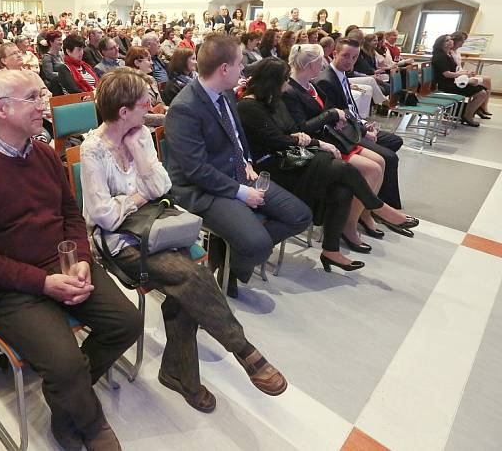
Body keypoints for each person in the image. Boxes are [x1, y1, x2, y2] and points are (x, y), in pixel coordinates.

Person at [0, 69, 140, 450]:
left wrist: (82, 259)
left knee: (126, 322)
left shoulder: (43, 154)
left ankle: (65, 399)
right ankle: (89, 421)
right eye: (32, 98)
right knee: (66, 365)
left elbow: (70, 214)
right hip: (8, 287)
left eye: (41, 95)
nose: (43, 103)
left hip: (62, 265)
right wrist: (43, 283)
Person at [82, 67, 287, 412]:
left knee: (189, 282)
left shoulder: (139, 136)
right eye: (143, 104)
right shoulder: (93, 151)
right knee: (192, 276)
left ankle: (180, 375)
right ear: (123, 111)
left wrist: (141, 159)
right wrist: (138, 197)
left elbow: (162, 188)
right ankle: (241, 350)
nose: (149, 108)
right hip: (119, 243)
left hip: (158, 226)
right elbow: (103, 216)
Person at [164, 35, 312, 296]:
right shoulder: (185, 108)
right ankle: (240, 252)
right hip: (203, 189)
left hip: (238, 173)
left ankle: (232, 259)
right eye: (239, 64)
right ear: (224, 69)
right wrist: (243, 192)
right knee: (258, 245)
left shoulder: (227, 93)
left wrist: (247, 161)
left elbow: (237, 136)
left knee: (300, 215)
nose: (243, 70)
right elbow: (196, 170)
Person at [239, 57, 417, 271]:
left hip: (290, 156)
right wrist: (310, 141)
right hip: (273, 166)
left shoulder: (272, 100)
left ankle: (331, 250)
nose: (287, 84)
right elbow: (276, 139)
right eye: (284, 79)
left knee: (341, 190)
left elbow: (289, 130)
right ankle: (377, 207)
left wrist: (301, 137)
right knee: (343, 168)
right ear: (273, 81)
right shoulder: (248, 106)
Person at [314, 38, 406, 219]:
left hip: (353, 128)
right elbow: (338, 118)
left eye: (354, 57)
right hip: (342, 134)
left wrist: (364, 125)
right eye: (346, 56)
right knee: (388, 157)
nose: (350, 61)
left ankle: (372, 200)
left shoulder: (341, 75)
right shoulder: (326, 80)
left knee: (395, 141)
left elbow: (350, 109)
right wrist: (363, 130)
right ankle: (377, 207)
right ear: (334, 54)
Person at [431, 34, 489, 126]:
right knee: (481, 93)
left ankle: (469, 113)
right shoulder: (440, 56)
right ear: (442, 44)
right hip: (447, 85)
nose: (451, 41)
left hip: (453, 82)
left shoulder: (448, 54)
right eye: (447, 40)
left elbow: (455, 69)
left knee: (483, 89)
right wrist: (464, 74)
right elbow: (447, 74)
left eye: (451, 39)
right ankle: (468, 115)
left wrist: (466, 73)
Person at [448, 32, 492, 118]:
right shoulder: (450, 52)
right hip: (458, 76)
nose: (463, 42)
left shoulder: (457, 52)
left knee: (487, 79)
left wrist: (467, 72)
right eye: (462, 40)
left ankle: (483, 107)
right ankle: (481, 107)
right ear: (456, 40)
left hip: (460, 73)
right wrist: (466, 73)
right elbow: (454, 69)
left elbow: (458, 67)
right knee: (485, 81)